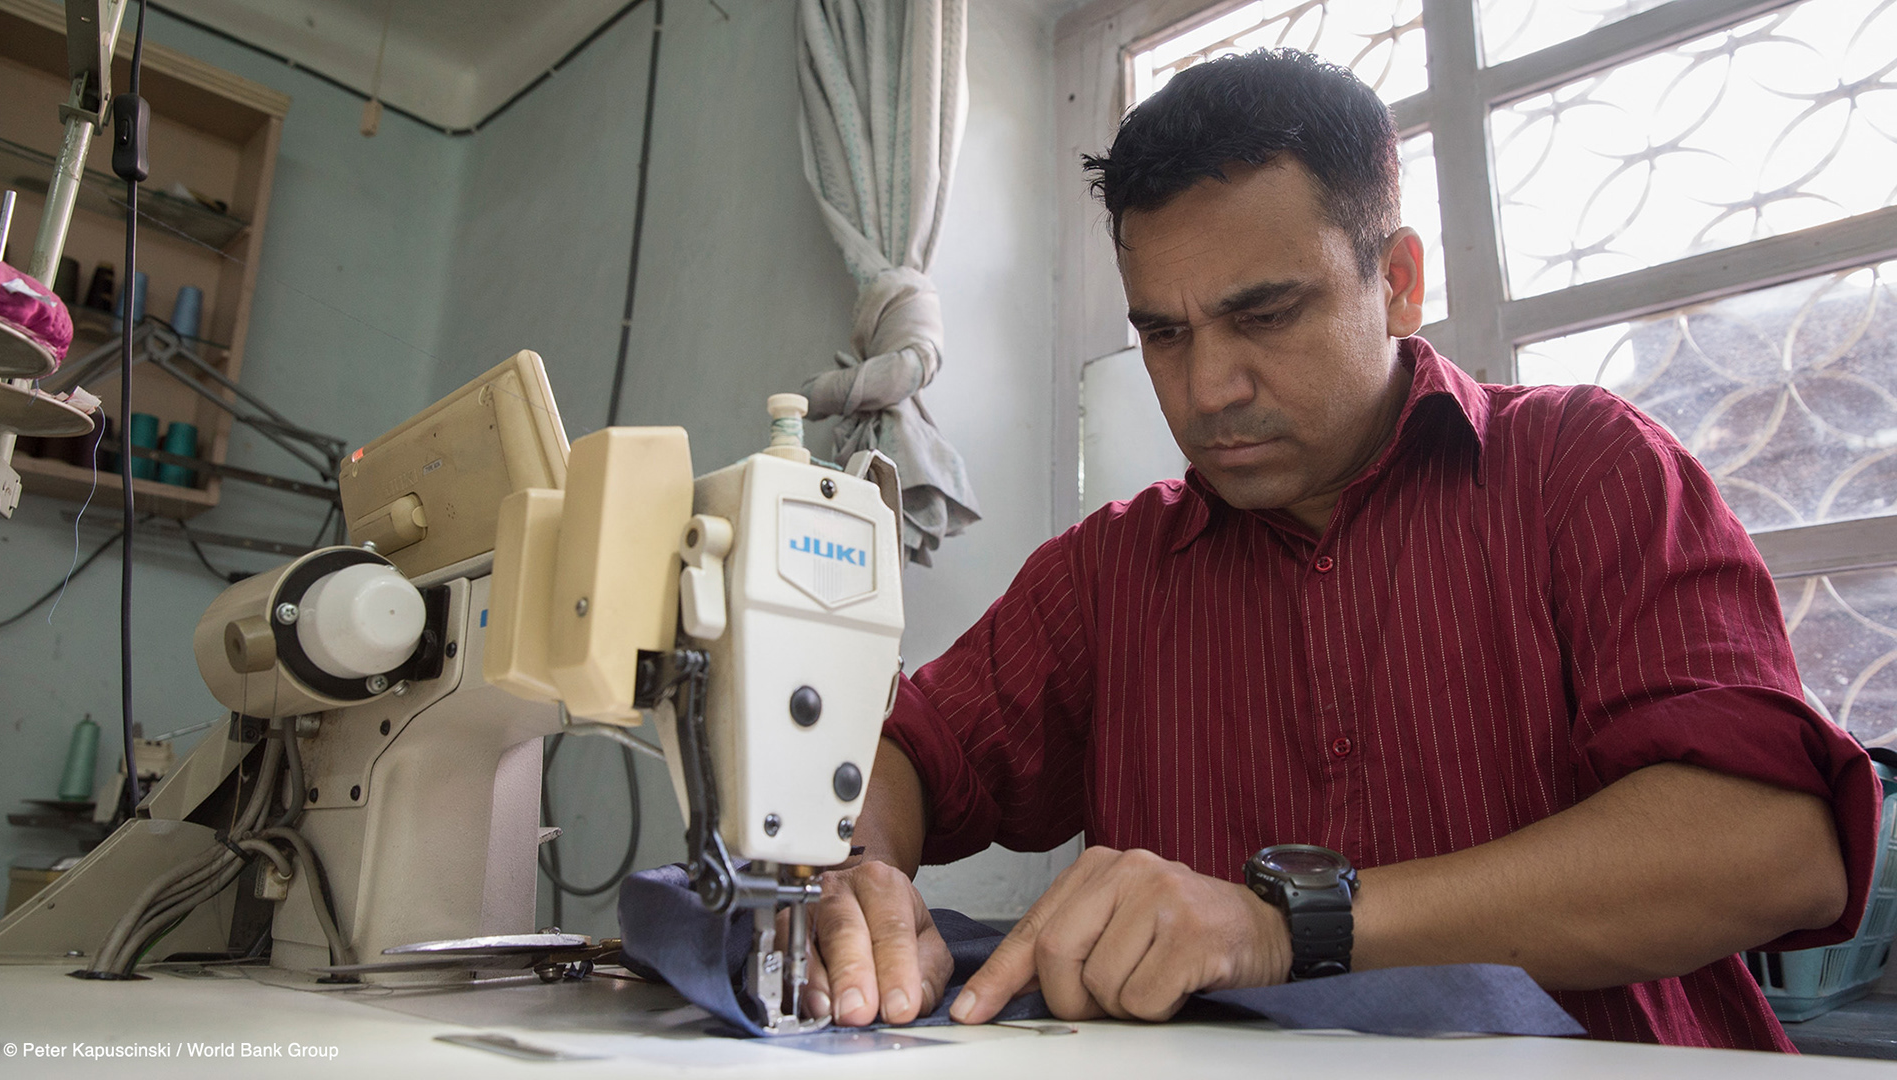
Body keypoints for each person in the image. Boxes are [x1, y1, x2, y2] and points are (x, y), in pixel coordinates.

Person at [800, 48, 1880, 1051]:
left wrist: (1284, 927)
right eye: (1164, 335)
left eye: (1264, 315)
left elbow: (1775, 848)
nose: (1207, 387)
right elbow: (900, 749)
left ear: (1400, 281)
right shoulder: (1108, 577)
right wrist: (856, 876)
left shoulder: (1584, 471)